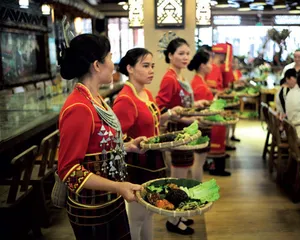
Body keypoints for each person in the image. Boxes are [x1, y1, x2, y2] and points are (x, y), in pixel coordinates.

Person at [58, 34, 144, 240]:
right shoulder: (79, 107)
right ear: (97, 65)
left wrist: (129, 146)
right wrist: (118, 186)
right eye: (110, 58)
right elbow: (68, 170)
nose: (113, 65)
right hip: (92, 208)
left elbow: (101, 144)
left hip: (109, 200)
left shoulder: (95, 98)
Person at [113, 48, 182, 240]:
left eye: (152, 66)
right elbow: (115, 140)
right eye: (145, 66)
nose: (151, 70)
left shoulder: (146, 93)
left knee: (149, 213)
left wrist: (169, 113)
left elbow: (153, 122)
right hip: (137, 164)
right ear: (130, 68)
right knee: (136, 217)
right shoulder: (126, 100)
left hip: (153, 161)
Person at [156, 37, 207, 235]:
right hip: (177, 133)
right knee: (176, 177)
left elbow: (182, 106)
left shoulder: (181, 76)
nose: (186, 57)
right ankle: (172, 219)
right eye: (181, 53)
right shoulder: (169, 78)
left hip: (186, 132)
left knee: (182, 174)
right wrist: (187, 119)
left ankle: (179, 214)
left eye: (187, 53)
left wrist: (196, 108)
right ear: (170, 56)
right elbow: (161, 109)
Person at [188, 50, 214, 181]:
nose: (212, 66)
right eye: (210, 63)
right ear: (202, 65)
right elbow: (198, 110)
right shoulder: (199, 84)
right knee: (198, 162)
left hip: (201, 125)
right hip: (201, 125)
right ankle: (197, 190)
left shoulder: (198, 81)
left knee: (198, 161)